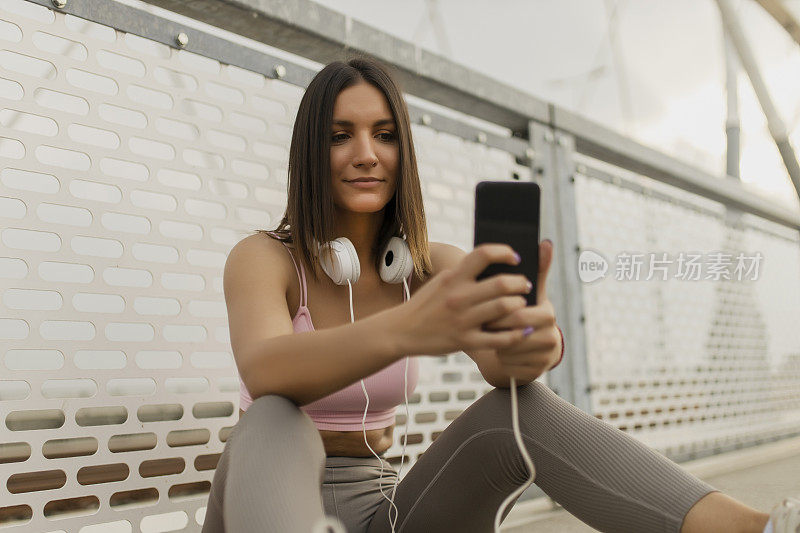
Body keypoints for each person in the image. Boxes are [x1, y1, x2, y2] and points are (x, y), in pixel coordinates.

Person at [201, 55, 798, 533]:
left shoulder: (430, 268)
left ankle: (752, 530)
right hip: (266, 502)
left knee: (519, 406)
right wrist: (407, 330)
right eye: (341, 136)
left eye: (384, 135)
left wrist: (531, 339)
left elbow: (503, 361)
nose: (366, 154)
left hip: (385, 514)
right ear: (312, 152)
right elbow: (264, 366)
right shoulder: (265, 258)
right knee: (275, 417)